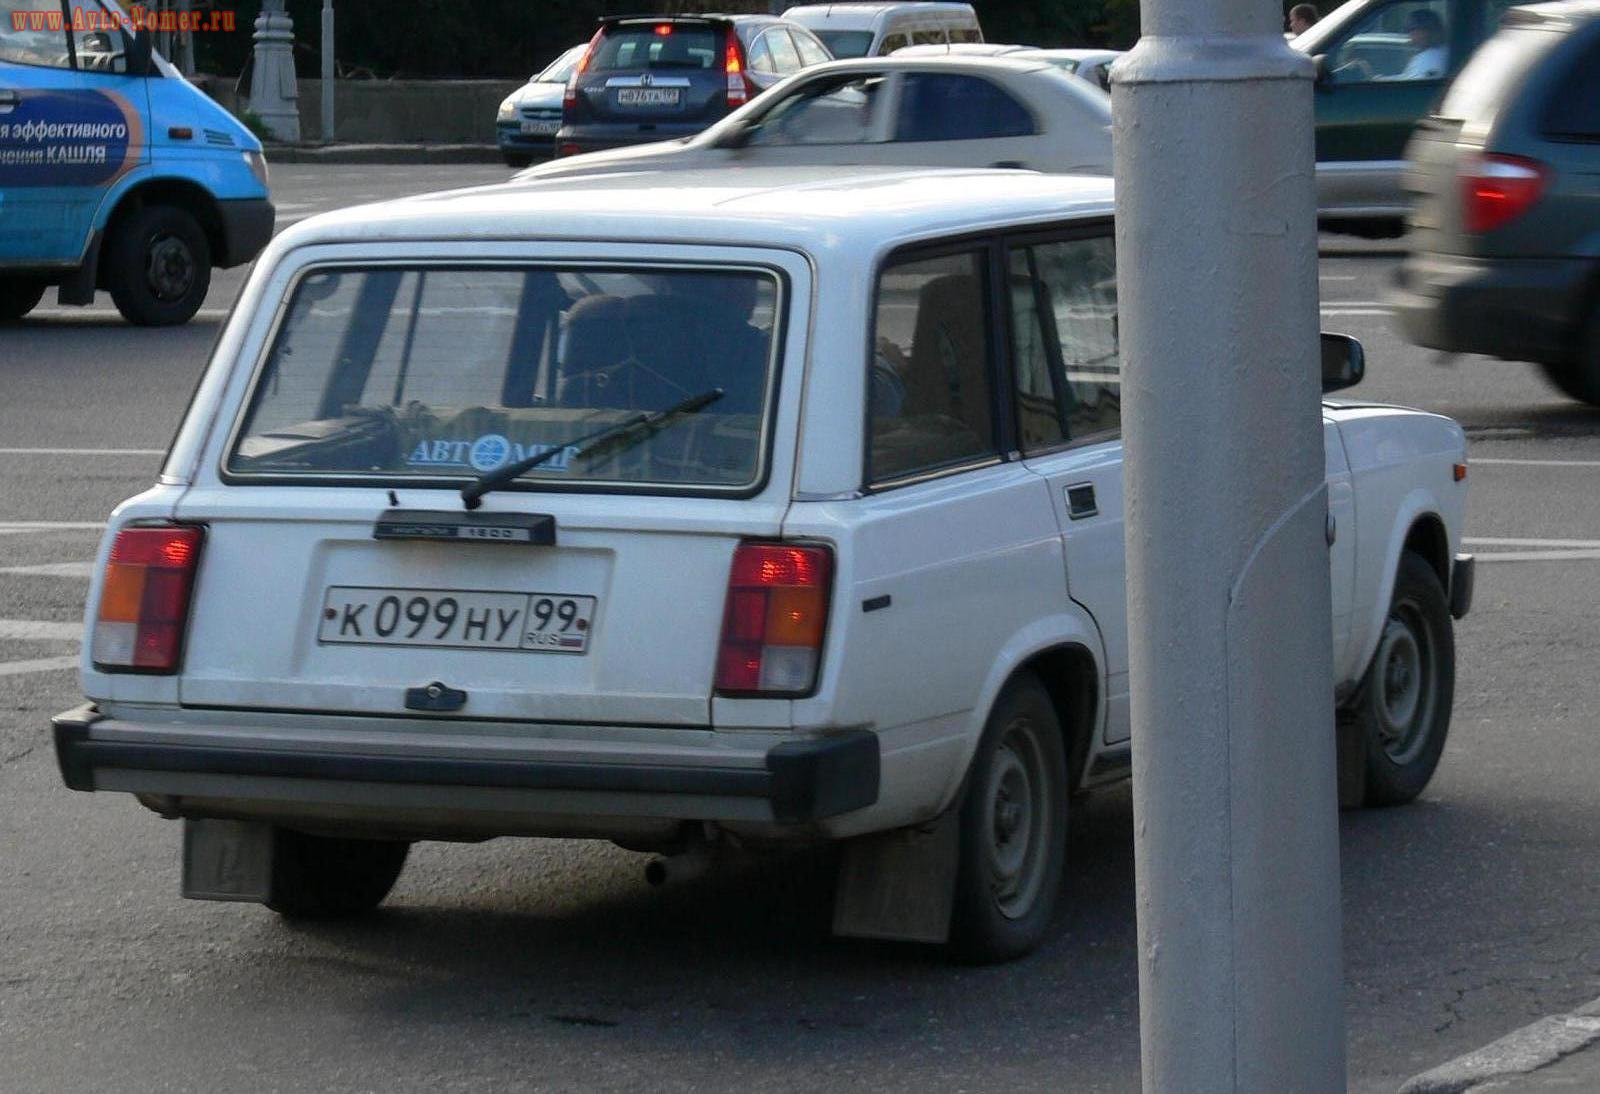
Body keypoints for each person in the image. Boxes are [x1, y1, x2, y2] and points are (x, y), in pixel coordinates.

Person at [1392, 8, 1447, 80]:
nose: (1410, 35)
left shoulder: (1427, 59)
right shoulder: (1447, 52)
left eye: (1412, 29)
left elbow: (1408, 86)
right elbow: (1403, 78)